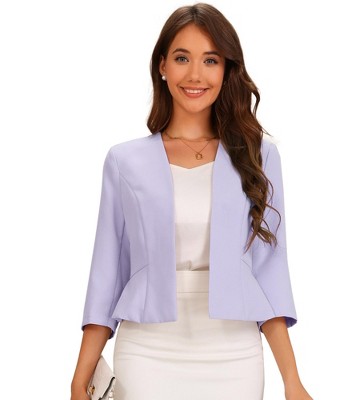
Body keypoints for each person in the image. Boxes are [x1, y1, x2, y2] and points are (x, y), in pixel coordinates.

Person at [70, 3, 312, 400]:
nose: (196, 74)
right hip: (147, 350)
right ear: (162, 65)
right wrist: (80, 378)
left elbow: (270, 273)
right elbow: (106, 274)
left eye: (211, 60)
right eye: (182, 58)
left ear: (226, 70)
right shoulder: (124, 161)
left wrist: (292, 380)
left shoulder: (258, 156)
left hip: (234, 352)